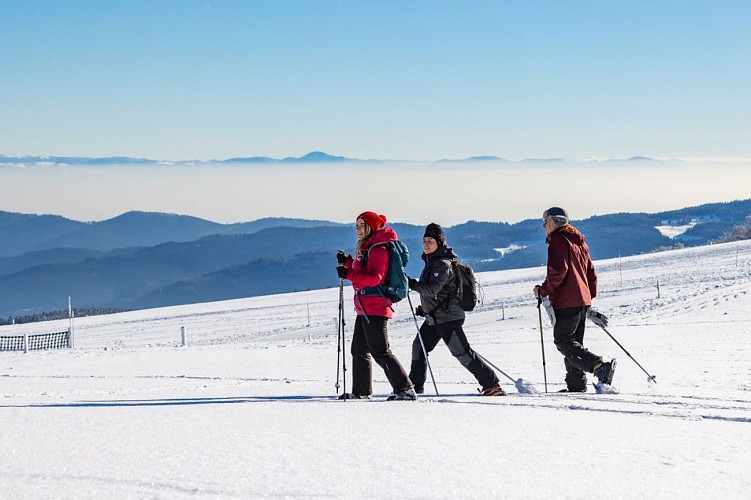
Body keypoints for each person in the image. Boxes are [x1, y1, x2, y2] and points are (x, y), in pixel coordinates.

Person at [407, 223, 506, 396]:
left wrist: (412, 284)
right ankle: (414, 387)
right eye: (424, 240)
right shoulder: (432, 262)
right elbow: (440, 294)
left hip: (448, 318)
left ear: (439, 242)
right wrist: (425, 309)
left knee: (462, 353)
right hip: (436, 317)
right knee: (419, 347)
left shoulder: (442, 264)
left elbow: (432, 289)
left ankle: (492, 384)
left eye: (430, 240)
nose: (426, 244)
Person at [336, 211, 417, 401]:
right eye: (356, 225)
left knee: (380, 350)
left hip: (375, 306)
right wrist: (347, 263)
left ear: (370, 227)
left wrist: (348, 274)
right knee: (359, 349)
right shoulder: (368, 247)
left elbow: (375, 278)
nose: (357, 229)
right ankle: (361, 391)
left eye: (361, 225)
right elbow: (363, 270)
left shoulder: (378, 248)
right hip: (366, 307)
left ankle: (405, 389)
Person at [533, 207, 616, 392]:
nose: (543, 226)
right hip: (581, 300)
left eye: (545, 222)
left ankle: (599, 367)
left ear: (553, 222)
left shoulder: (558, 240)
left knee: (563, 341)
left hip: (567, 300)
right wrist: (587, 297)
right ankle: (576, 385)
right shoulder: (579, 242)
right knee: (574, 343)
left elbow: (558, 272)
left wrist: (543, 290)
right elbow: (591, 274)